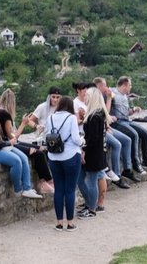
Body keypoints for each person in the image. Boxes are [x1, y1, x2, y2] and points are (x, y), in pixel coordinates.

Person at [0, 89, 54, 195]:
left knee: (40, 148)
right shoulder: (5, 115)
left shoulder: (2, 114)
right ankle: (46, 182)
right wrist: (23, 124)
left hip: (12, 142)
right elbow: (13, 136)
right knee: (37, 152)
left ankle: (45, 181)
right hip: (10, 143)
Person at [45, 96, 83, 230]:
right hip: (70, 155)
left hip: (54, 157)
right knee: (70, 189)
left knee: (59, 189)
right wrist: (83, 141)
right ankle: (70, 222)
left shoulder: (50, 117)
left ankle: (59, 222)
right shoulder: (71, 118)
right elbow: (76, 139)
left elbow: (47, 135)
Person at [110, 76, 147, 172]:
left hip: (126, 120)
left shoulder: (125, 96)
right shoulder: (113, 93)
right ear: (124, 85)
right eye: (130, 85)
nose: (130, 87)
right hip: (117, 122)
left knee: (146, 133)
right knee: (133, 134)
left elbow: (124, 112)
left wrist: (133, 110)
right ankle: (135, 164)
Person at [78, 88, 109, 219]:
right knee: (83, 179)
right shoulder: (100, 114)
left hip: (93, 155)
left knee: (90, 181)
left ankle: (91, 209)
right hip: (97, 153)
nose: (84, 98)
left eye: (87, 96)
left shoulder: (94, 117)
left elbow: (92, 139)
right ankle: (90, 204)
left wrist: (83, 151)